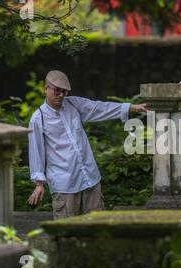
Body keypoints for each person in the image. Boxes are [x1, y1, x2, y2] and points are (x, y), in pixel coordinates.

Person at [27, 70, 149, 219]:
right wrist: (39, 183)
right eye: (57, 91)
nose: (60, 95)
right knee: (68, 231)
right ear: (46, 88)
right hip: (65, 184)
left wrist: (131, 107)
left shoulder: (73, 104)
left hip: (89, 177)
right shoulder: (38, 119)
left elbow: (99, 108)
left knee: (97, 226)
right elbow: (36, 152)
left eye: (64, 92)